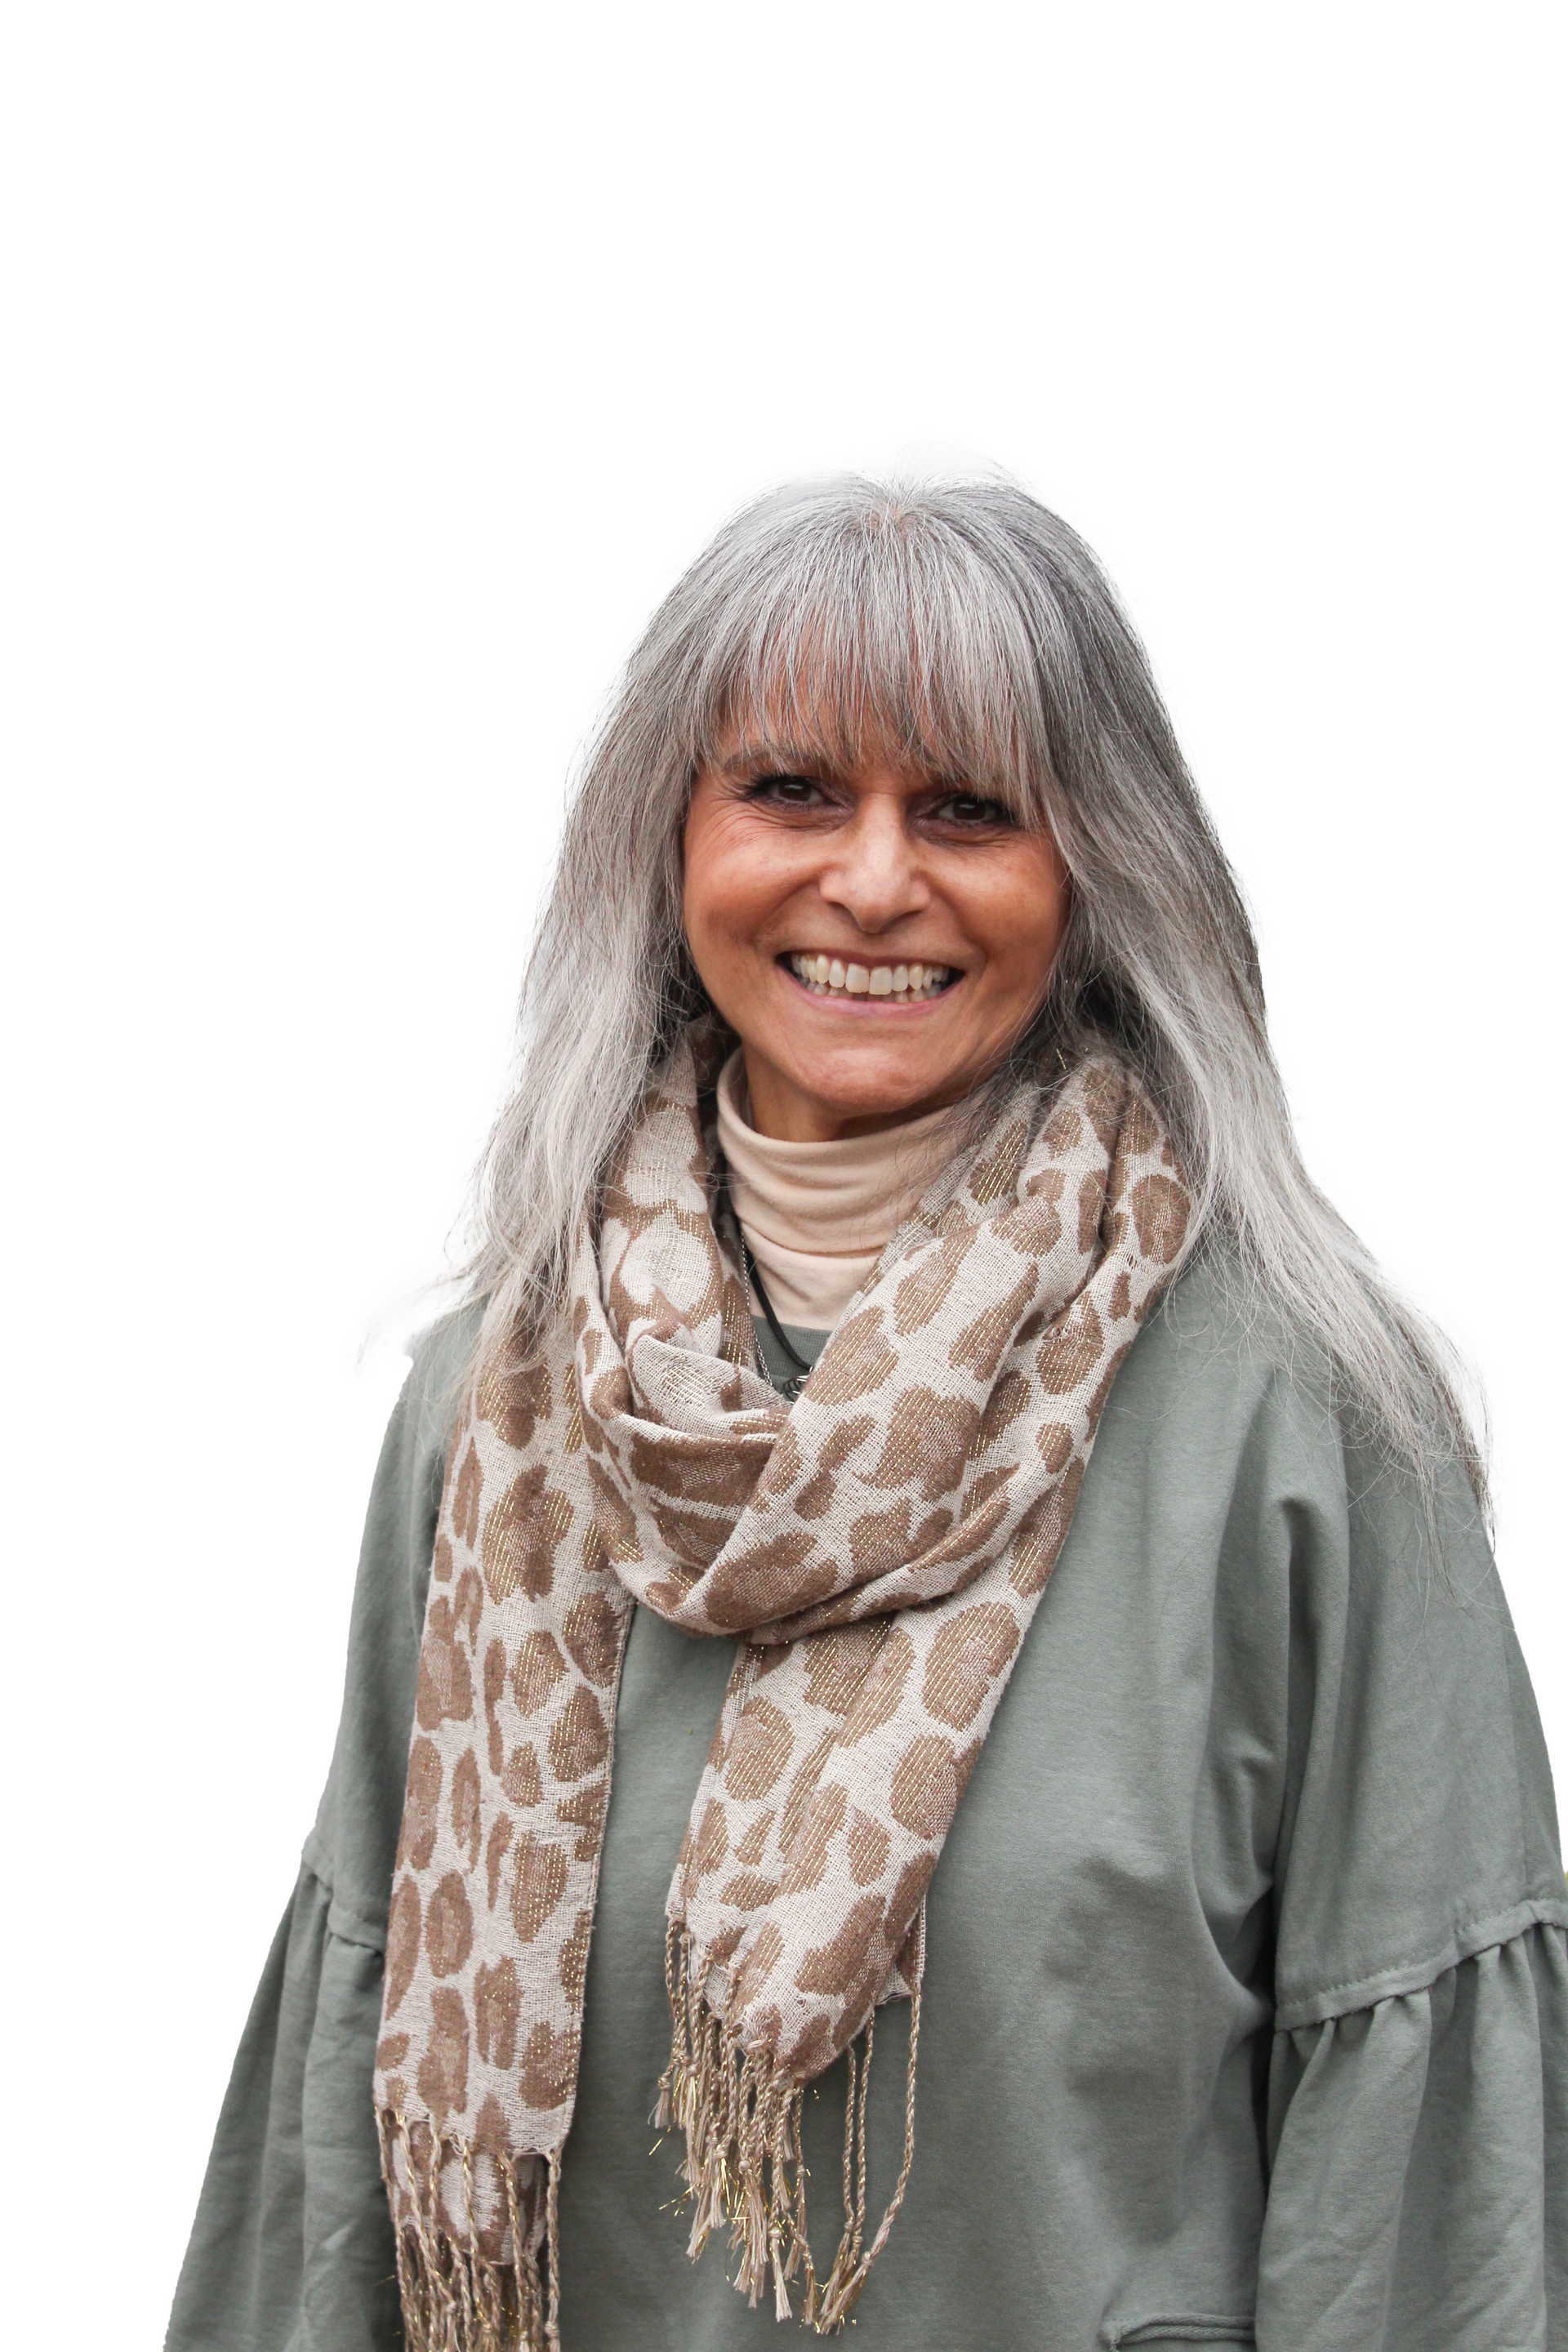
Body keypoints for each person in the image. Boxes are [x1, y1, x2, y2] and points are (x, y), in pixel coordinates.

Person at [168, 478, 1567, 2352]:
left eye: (971, 807)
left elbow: (1423, 2201)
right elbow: (347, 2126)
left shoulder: (1307, 1427)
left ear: (1094, 869)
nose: (878, 879)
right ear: (669, 837)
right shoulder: (496, 1413)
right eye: (794, 790)